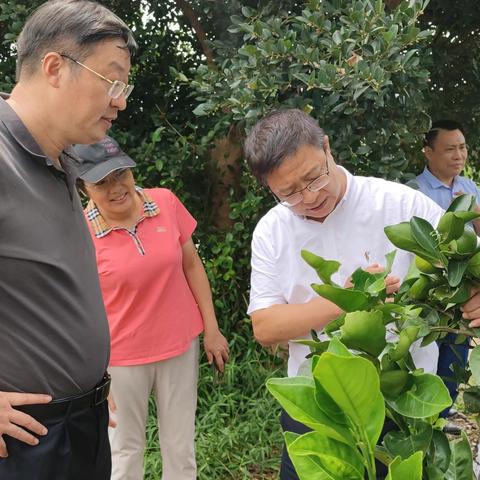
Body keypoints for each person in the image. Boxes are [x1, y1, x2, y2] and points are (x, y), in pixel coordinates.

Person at [243, 109, 480, 480]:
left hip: (402, 402)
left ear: (327, 147)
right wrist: (343, 300)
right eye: (288, 193)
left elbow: (468, 261)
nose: (309, 196)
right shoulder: (272, 232)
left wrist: (473, 291)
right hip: (321, 405)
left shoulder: (399, 205)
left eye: (313, 177)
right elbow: (266, 326)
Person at [0, 1, 136, 479]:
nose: (120, 100)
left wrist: (87, 377)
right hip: (26, 441)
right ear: (55, 66)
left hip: (84, 420)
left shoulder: (64, 161)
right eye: (111, 80)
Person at [73, 136, 229, 480]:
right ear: (83, 188)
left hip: (179, 347)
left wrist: (212, 330)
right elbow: (78, 307)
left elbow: (191, 265)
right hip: (120, 360)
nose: (116, 188)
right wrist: (93, 371)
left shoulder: (164, 202)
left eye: (120, 174)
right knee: (125, 451)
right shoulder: (79, 232)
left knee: (181, 446)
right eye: (101, 182)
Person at [410, 120, 480, 416]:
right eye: (449, 149)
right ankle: (425, 415)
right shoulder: (414, 190)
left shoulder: (469, 187)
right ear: (428, 152)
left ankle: (444, 412)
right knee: (427, 353)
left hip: (464, 287)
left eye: (462, 148)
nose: (458, 155)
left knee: (457, 352)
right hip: (432, 292)